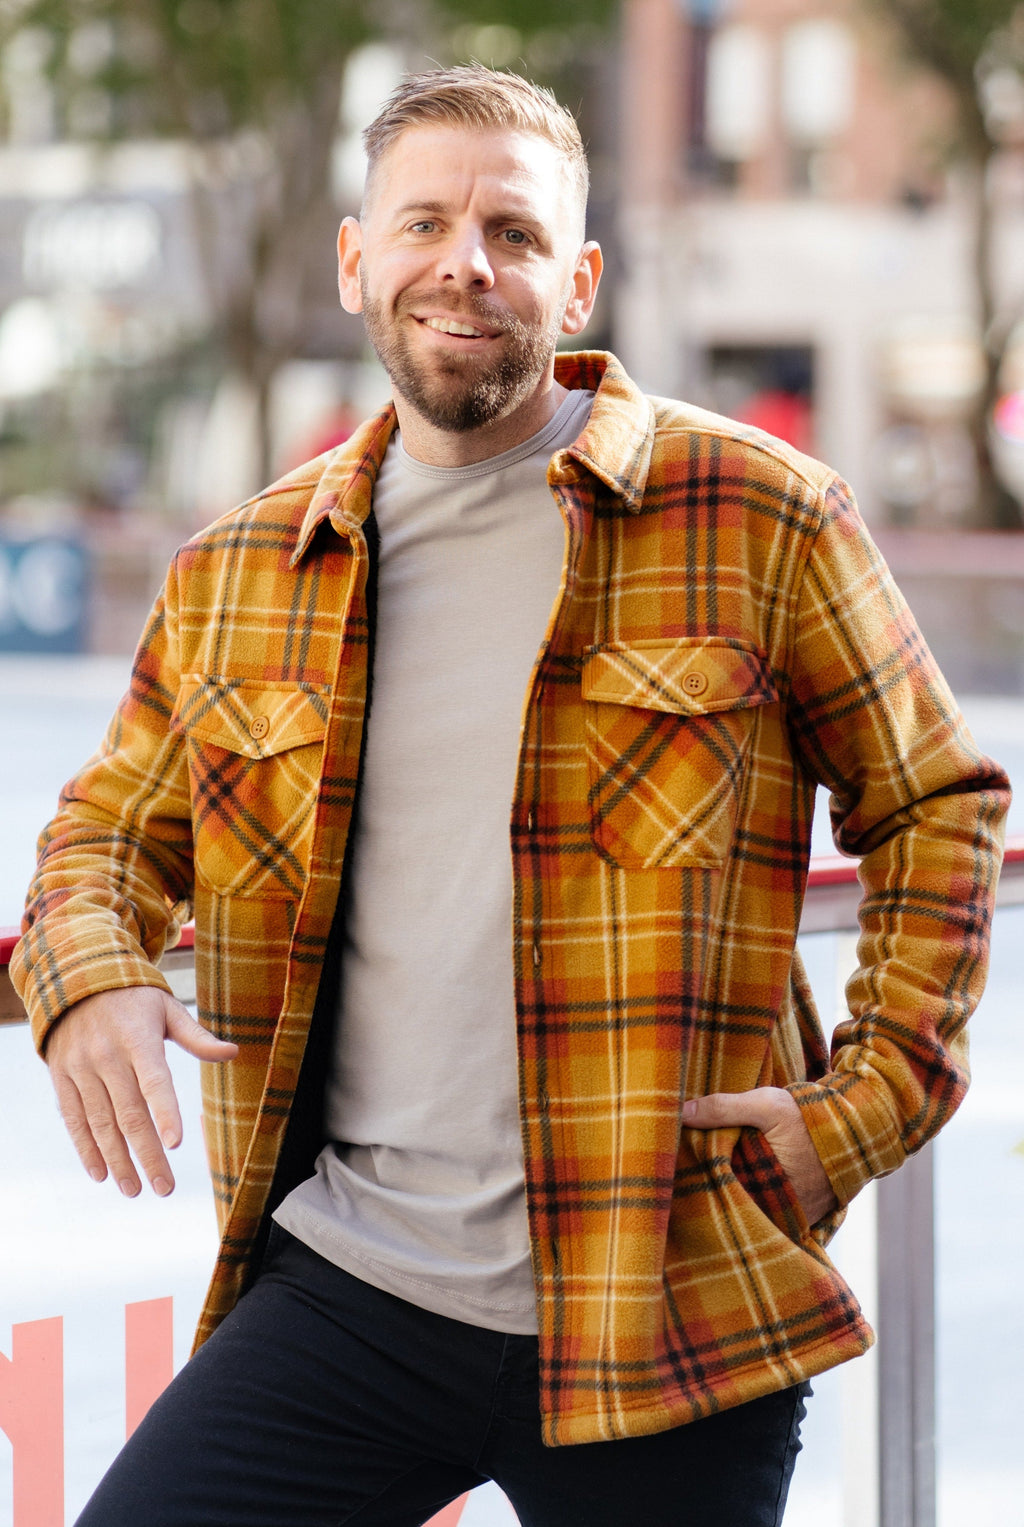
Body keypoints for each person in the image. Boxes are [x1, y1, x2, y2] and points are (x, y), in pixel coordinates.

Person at [12, 65, 1009, 1527]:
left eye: (514, 233)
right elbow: (102, 830)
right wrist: (86, 974)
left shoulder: (761, 515)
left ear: (579, 279)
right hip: (350, 1292)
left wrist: (864, 1104)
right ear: (358, 262)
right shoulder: (238, 570)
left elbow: (941, 802)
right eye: (422, 222)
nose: (464, 263)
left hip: (667, 1310)